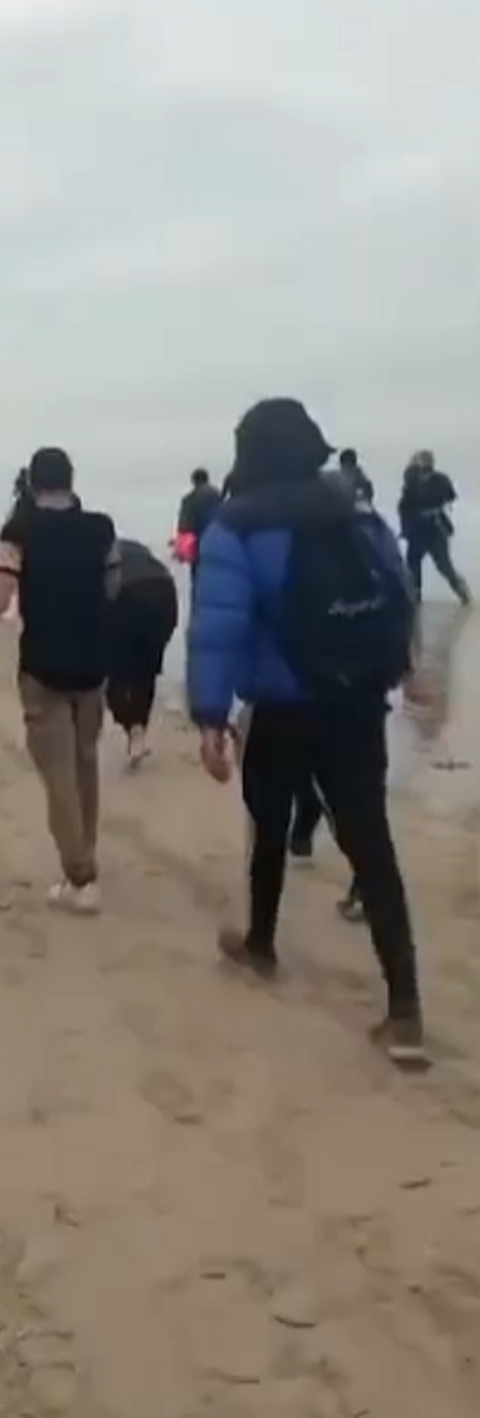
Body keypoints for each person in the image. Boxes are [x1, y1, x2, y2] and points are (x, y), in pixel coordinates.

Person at [188, 397, 427, 1066]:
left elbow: (220, 626)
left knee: (267, 825)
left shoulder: (235, 524)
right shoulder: (354, 509)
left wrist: (211, 717)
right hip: (355, 702)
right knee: (370, 843)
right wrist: (405, 667)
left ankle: (260, 944)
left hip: (283, 702)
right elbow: (400, 591)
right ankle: (404, 1007)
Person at [0, 447, 119, 915]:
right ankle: (85, 855)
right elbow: (114, 590)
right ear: (70, 479)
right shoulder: (101, 528)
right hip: (92, 665)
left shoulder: (19, 531)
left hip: (43, 663)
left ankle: (80, 877)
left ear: (32, 483)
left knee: (57, 773)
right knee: (85, 766)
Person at [106, 541, 178, 768]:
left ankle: (131, 727)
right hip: (165, 593)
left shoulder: (96, 553)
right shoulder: (135, 548)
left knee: (113, 671)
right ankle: (138, 732)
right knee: (146, 671)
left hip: (128, 592)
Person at [398, 451, 470, 606]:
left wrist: (406, 527)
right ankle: (461, 591)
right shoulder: (435, 479)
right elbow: (450, 497)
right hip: (432, 528)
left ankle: (415, 595)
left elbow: (404, 506)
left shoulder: (413, 480)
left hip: (422, 529)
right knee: (437, 564)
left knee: (418, 563)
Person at [174, 468, 222, 582]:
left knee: (197, 577)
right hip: (218, 539)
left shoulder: (189, 499)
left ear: (194, 481)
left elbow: (184, 526)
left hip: (198, 543)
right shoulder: (217, 494)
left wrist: (179, 548)